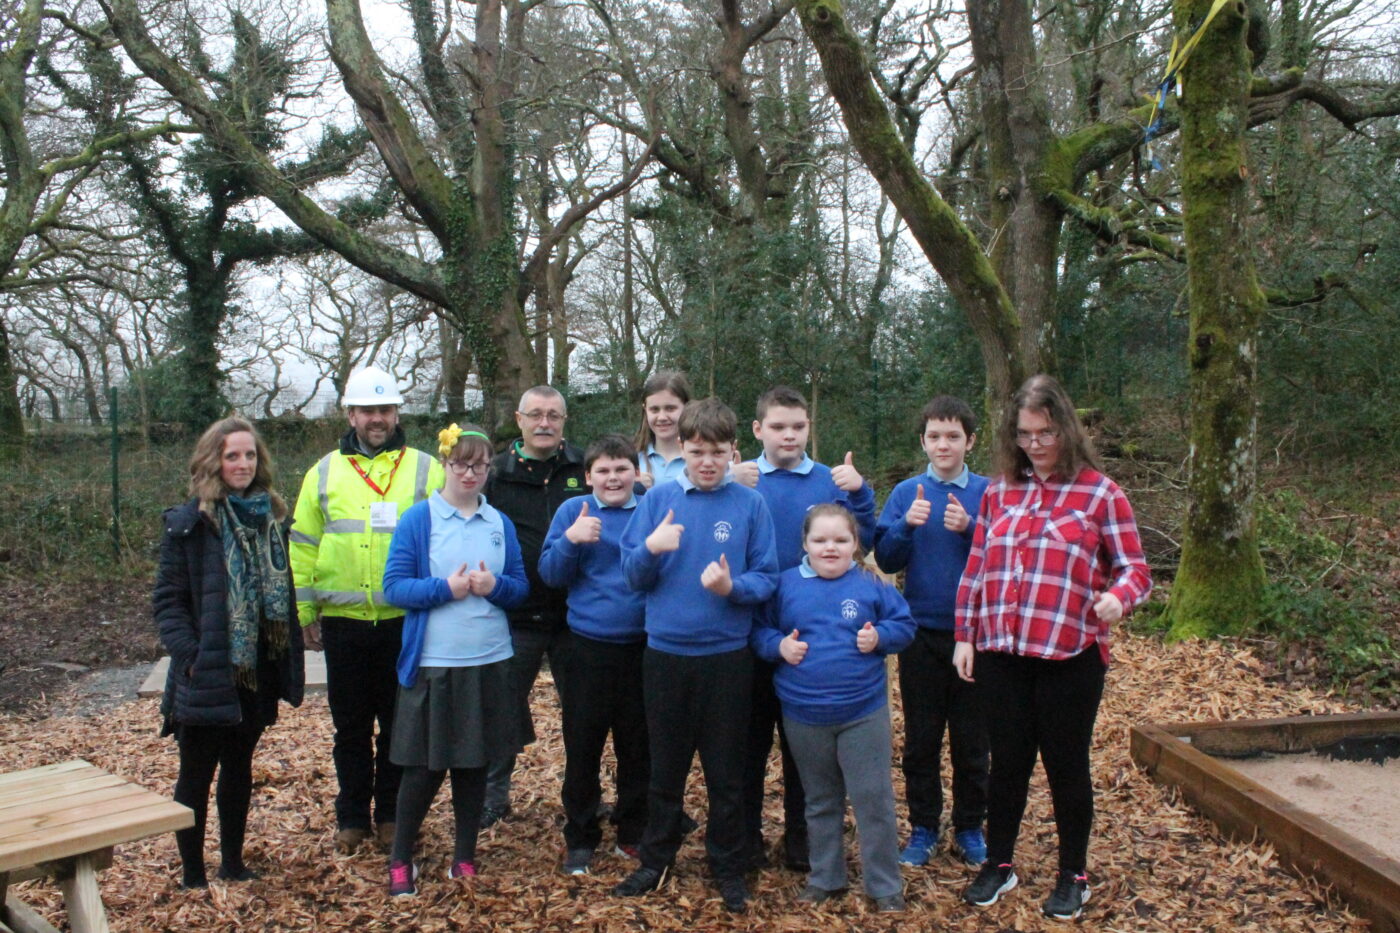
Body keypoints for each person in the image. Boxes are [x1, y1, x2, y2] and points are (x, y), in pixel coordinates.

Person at [954, 375, 1152, 920]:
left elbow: (1136, 570)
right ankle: (999, 863)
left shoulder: (1101, 493)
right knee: (1007, 763)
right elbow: (976, 569)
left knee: (1066, 765)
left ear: (1065, 429)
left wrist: (1118, 598)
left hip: (1070, 654)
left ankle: (1073, 875)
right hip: (1002, 652)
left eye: (1045, 433)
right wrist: (964, 636)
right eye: (1024, 434)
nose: (1035, 444)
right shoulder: (999, 492)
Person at [612, 398, 779, 914]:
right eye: (698, 451)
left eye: (718, 452)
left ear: (734, 451)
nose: (708, 462)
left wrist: (733, 587)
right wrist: (652, 547)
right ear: (681, 448)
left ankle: (727, 866)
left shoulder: (750, 504)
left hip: (727, 659)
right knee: (665, 769)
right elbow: (631, 576)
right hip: (666, 656)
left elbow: (767, 577)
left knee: (727, 773)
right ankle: (655, 859)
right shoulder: (658, 500)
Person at [290, 366, 444, 853]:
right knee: (350, 728)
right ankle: (352, 817)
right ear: (351, 415)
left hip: (404, 622)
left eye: (385, 409)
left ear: (397, 413)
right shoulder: (323, 472)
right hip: (344, 625)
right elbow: (302, 544)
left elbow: (445, 538)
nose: (377, 418)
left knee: (400, 727)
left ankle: (393, 815)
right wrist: (305, 612)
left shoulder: (427, 469)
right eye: (367, 410)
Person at [154, 417, 305, 889]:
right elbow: (168, 602)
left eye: (250, 454)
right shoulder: (190, 524)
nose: (243, 464)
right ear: (213, 461)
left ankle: (233, 863)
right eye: (232, 455)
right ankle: (193, 875)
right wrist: (191, 656)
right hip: (207, 671)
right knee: (196, 775)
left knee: (239, 768)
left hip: (255, 670)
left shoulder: (270, 518)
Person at [732, 385, 877, 872]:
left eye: (797, 426)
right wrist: (729, 483)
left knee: (805, 750)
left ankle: (804, 841)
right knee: (749, 745)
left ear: (808, 428)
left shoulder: (829, 481)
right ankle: (745, 840)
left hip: (813, 634)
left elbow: (864, 539)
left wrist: (860, 492)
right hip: (751, 628)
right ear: (758, 430)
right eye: (778, 427)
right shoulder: (742, 478)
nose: (788, 435)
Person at [380, 424, 528, 896]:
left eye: (480, 465)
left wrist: (495, 587)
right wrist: (446, 588)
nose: (470, 473)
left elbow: (520, 588)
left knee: (474, 766)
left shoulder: (498, 523)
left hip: (489, 660)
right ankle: (400, 859)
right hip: (435, 663)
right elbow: (394, 587)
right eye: (461, 464)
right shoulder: (419, 520)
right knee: (422, 770)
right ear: (445, 464)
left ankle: (464, 856)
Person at [751, 504, 914, 912]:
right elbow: (759, 631)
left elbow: (904, 625)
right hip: (804, 714)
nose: (830, 548)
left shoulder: (870, 584)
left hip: (862, 712)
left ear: (855, 544)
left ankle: (884, 885)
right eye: (820, 540)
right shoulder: (785, 585)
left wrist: (880, 638)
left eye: (841, 540)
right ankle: (826, 877)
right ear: (805, 543)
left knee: (872, 800)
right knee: (820, 799)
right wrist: (778, 646)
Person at [873, 395, 991, 867]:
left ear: (970, 441)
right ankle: (924, 827)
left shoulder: (988, 492)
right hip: (919, 633)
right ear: (922, 441)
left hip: (975, 637)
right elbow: (886, 559)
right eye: (935, 436)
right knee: (921, 740)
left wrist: (970, 528)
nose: (944, 445)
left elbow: (1006, 558)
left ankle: (970, 827)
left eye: (953, 436)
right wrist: (905, 526)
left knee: (972, 742)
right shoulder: (907, 493)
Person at [538, 435, 649, 875]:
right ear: (588, 476)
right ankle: (581, 835)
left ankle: (632, 830)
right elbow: (550, 574)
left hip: (642, 647)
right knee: (583, 746)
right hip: (587, 648)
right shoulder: (574, 511)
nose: (613, 478)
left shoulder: (651, 510)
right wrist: (571, 540)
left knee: (638, 747)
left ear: (636, 473)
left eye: (622, 469)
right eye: (603, 470)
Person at [480, 385, 589, 828]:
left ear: (564, 421)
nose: (545, 423)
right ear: (519, 419)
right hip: (516, 616)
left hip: (574, 616)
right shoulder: (495, 473)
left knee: (583, 715)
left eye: (554, 415)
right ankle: (492, 797)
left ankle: (584, 798)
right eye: (536, 415)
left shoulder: (584, 467)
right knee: (501, 709)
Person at [633, 371, 691, 488]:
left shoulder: (701, 459)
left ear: (686, 407)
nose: (662, 417)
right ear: (645, 409)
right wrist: (631, 486)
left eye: (670, 408)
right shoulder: (631, 458)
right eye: (654, 409)